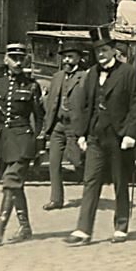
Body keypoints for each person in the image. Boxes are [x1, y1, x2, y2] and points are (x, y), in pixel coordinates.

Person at [64, 26, 136, 245]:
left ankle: (121, 227)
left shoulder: (127, 72)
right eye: (98, 51)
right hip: (95, 137)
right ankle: (83, 229)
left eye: (105, 50)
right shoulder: (91, 74)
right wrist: (81, 134)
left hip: (118, 138)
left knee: (120, 182)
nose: (101, 54)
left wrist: (130, 134)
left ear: (113, 50)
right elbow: (83, 105)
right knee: (91, 181)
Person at [0, 43, 44, 244]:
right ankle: (25, 227)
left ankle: (0, 226)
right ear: (6, 60)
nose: (18, 62)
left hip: (23, 141)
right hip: (3, 142)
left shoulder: (32, 86)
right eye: (14, 58)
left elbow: (40, 118)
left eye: (21, 58)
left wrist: (38, 145)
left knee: (11, 179)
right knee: (15, 185)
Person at [40, 40, 88, 211]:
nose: (67, 60)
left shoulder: (85, 78)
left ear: (78, 59)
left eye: (70, 57)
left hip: (75, 128)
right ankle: (56, 199)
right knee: (54, 163)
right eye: (65, 57)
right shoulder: (57, 77)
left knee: (77, 162)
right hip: (57, 127)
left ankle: (91, 190)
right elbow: (51, 101)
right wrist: (47, 124)